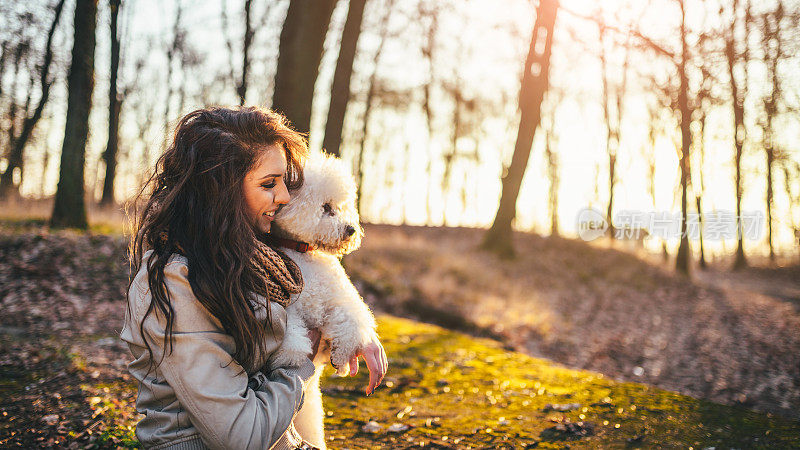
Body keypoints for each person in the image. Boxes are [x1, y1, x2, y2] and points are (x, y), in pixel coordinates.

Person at [121, 107, 383, 449]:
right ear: (221, 191)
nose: (286, 197)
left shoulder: (243, 258)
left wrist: (352, 325)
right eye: (269, 184)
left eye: (284, 183)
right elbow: (243, 436)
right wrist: (304, 359)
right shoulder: (175, 282)